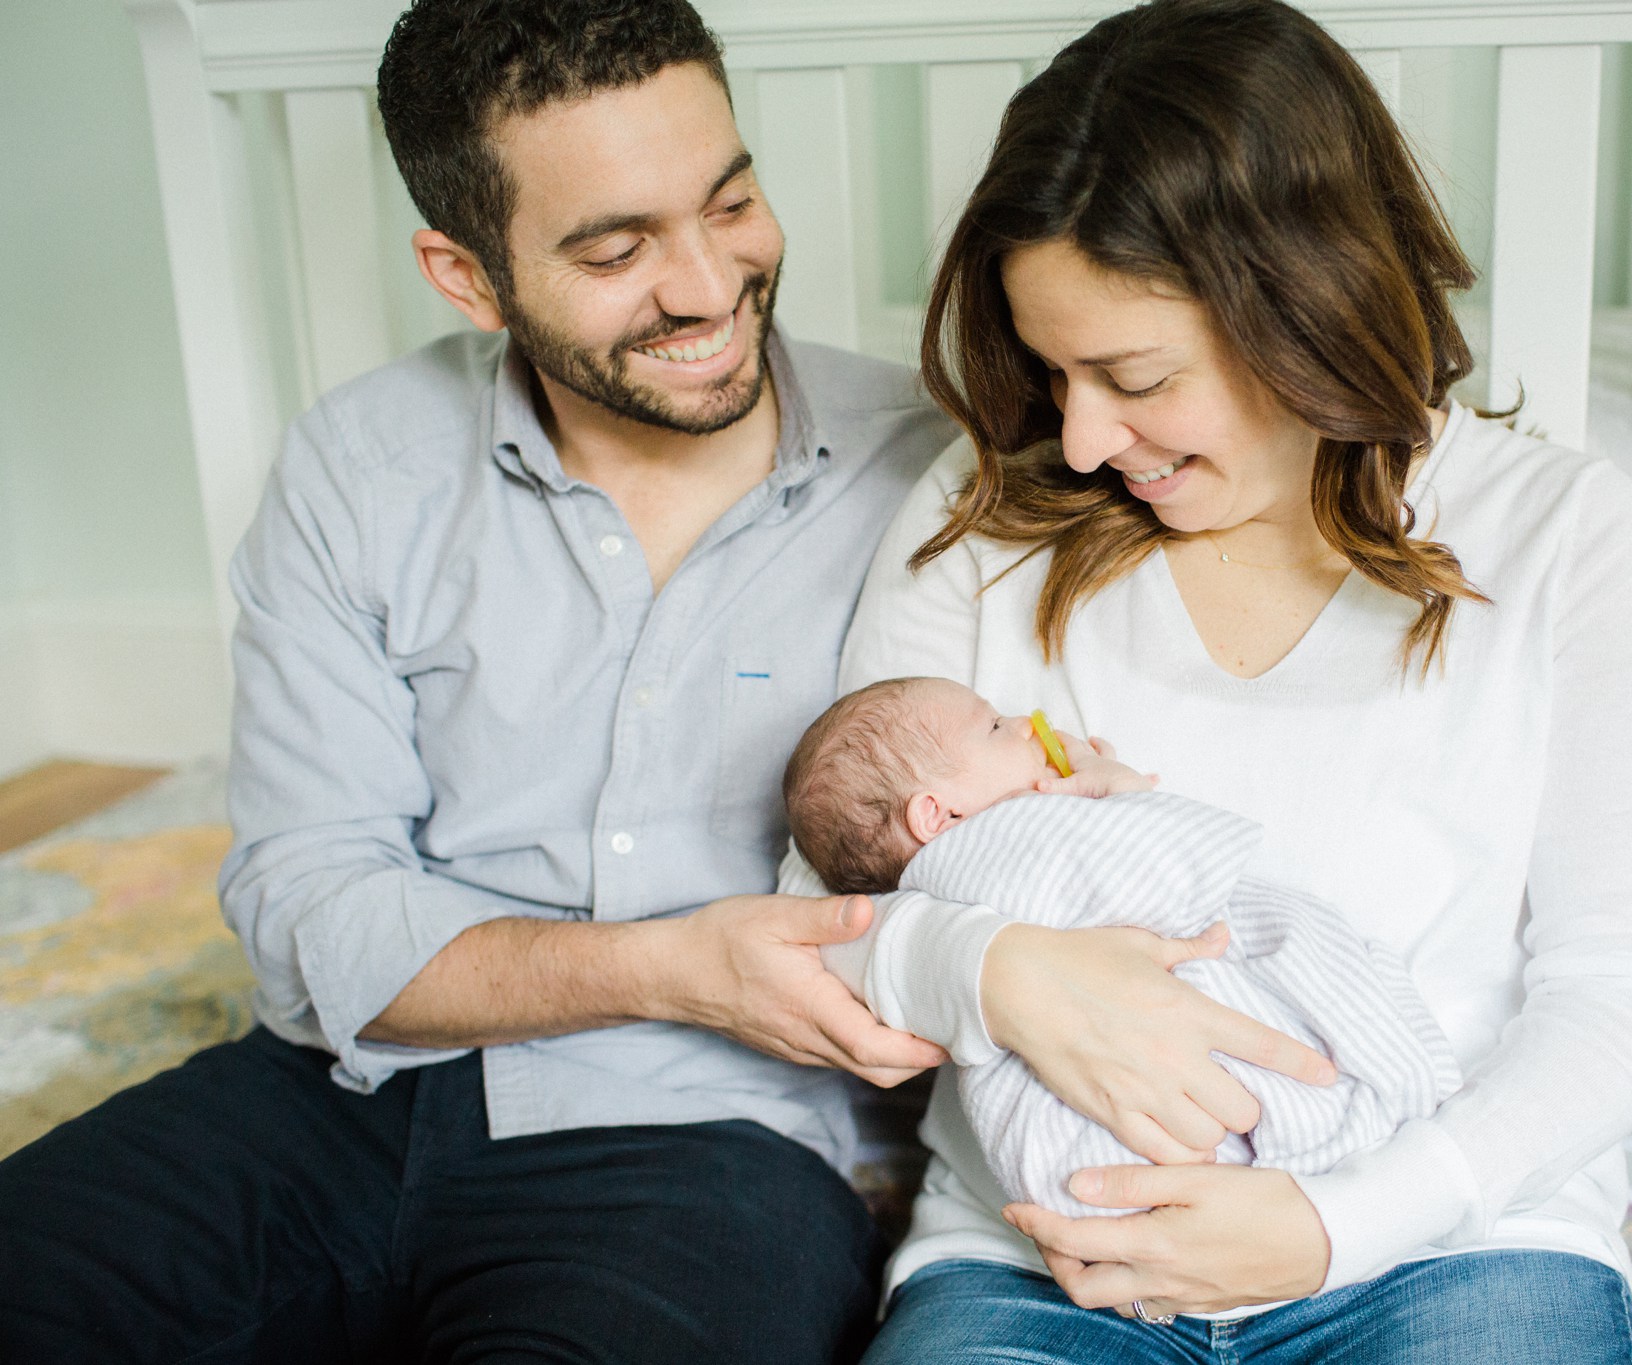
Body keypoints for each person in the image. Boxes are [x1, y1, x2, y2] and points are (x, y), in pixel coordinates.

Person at [0, 1, 961, 1360]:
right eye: (616, 250)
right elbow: (305, 901)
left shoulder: (933, 473)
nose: (704, 283)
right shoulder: (362, 463)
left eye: (730, 200)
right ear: (467, 275)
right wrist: (674, 964)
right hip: (335, 1098)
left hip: (701, 1148)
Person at [783, 0, 1632, 1358]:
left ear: (1307, 305)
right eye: (1051, 371)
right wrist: (1000, 968)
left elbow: (1623, 990)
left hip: (1448, 1243)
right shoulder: (987, 518)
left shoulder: (1560, 533)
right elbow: (823, 924)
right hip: (1051, 1251)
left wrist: (1341, 1223)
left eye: (1134, 374)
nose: (1084, 437)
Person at [781, 676, 1461, 1225]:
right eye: (993, 726)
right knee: (1300, 1022)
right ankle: (1358, 1123)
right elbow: (1166, 872)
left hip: (1060, 1171)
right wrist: (1120, 792)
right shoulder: (1012, 837)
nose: (1026, 723)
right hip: (1162, 1059)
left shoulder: (929, 891)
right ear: (937, 815)